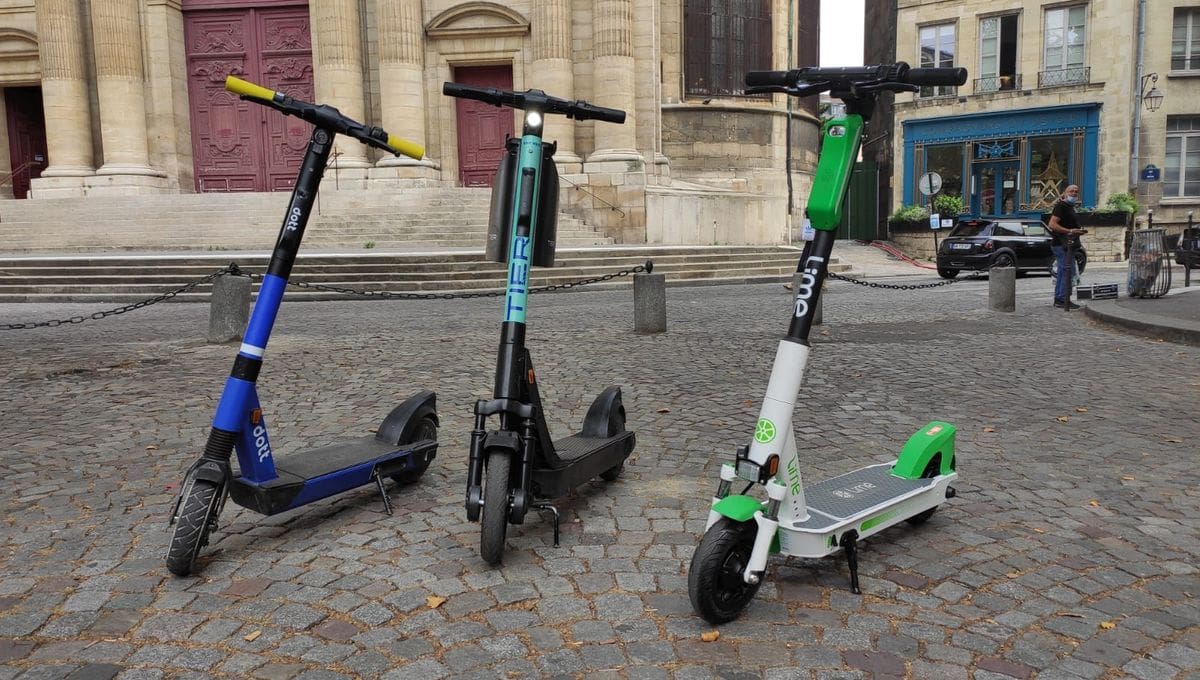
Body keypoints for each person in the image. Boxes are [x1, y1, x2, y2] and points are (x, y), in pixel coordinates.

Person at [1046, 185, 1087, 309]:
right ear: (1065, 193)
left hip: (1067, 244)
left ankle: (1060, 298)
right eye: (1071, 191)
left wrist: (1077, 230)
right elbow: (1052, 224)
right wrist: (1070, 231)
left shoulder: (1070, 207)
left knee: (1064, 271)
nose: (1074, 193)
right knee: (1067, 271)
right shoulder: (1061, 206)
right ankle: (1063, 299)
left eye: (1076, 191)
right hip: (1062, 244)